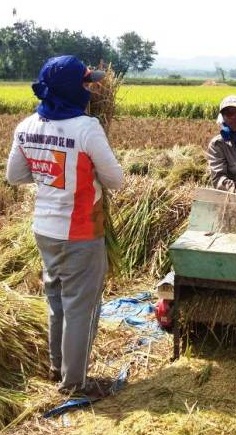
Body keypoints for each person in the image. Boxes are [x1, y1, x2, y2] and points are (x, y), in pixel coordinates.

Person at [6, 55, 123, 395]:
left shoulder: (27, 126)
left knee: (57, 300)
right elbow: (115, 180)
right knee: (80, 310)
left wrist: (49, 176)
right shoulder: (86, 128)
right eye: (86, 83)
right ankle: (75, 384)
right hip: (81, 233)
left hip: (45, 231)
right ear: (74, 89)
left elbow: (14, 175)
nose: (90, 88)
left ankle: (58, 369)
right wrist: (88, 176)